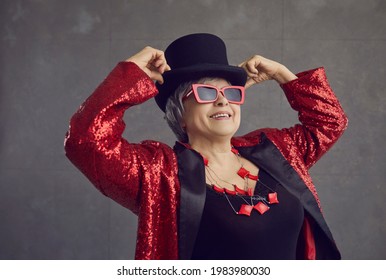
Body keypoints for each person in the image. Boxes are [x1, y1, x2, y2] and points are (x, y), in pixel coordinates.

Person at [64, 33, 348, 260]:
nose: (223, 101)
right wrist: (130, 74)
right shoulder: (159, 173)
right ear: (180, 112)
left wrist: (282, 74)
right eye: (206, 92)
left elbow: (330, 122)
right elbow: (86, 141)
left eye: (230, 93)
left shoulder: (275, 149)